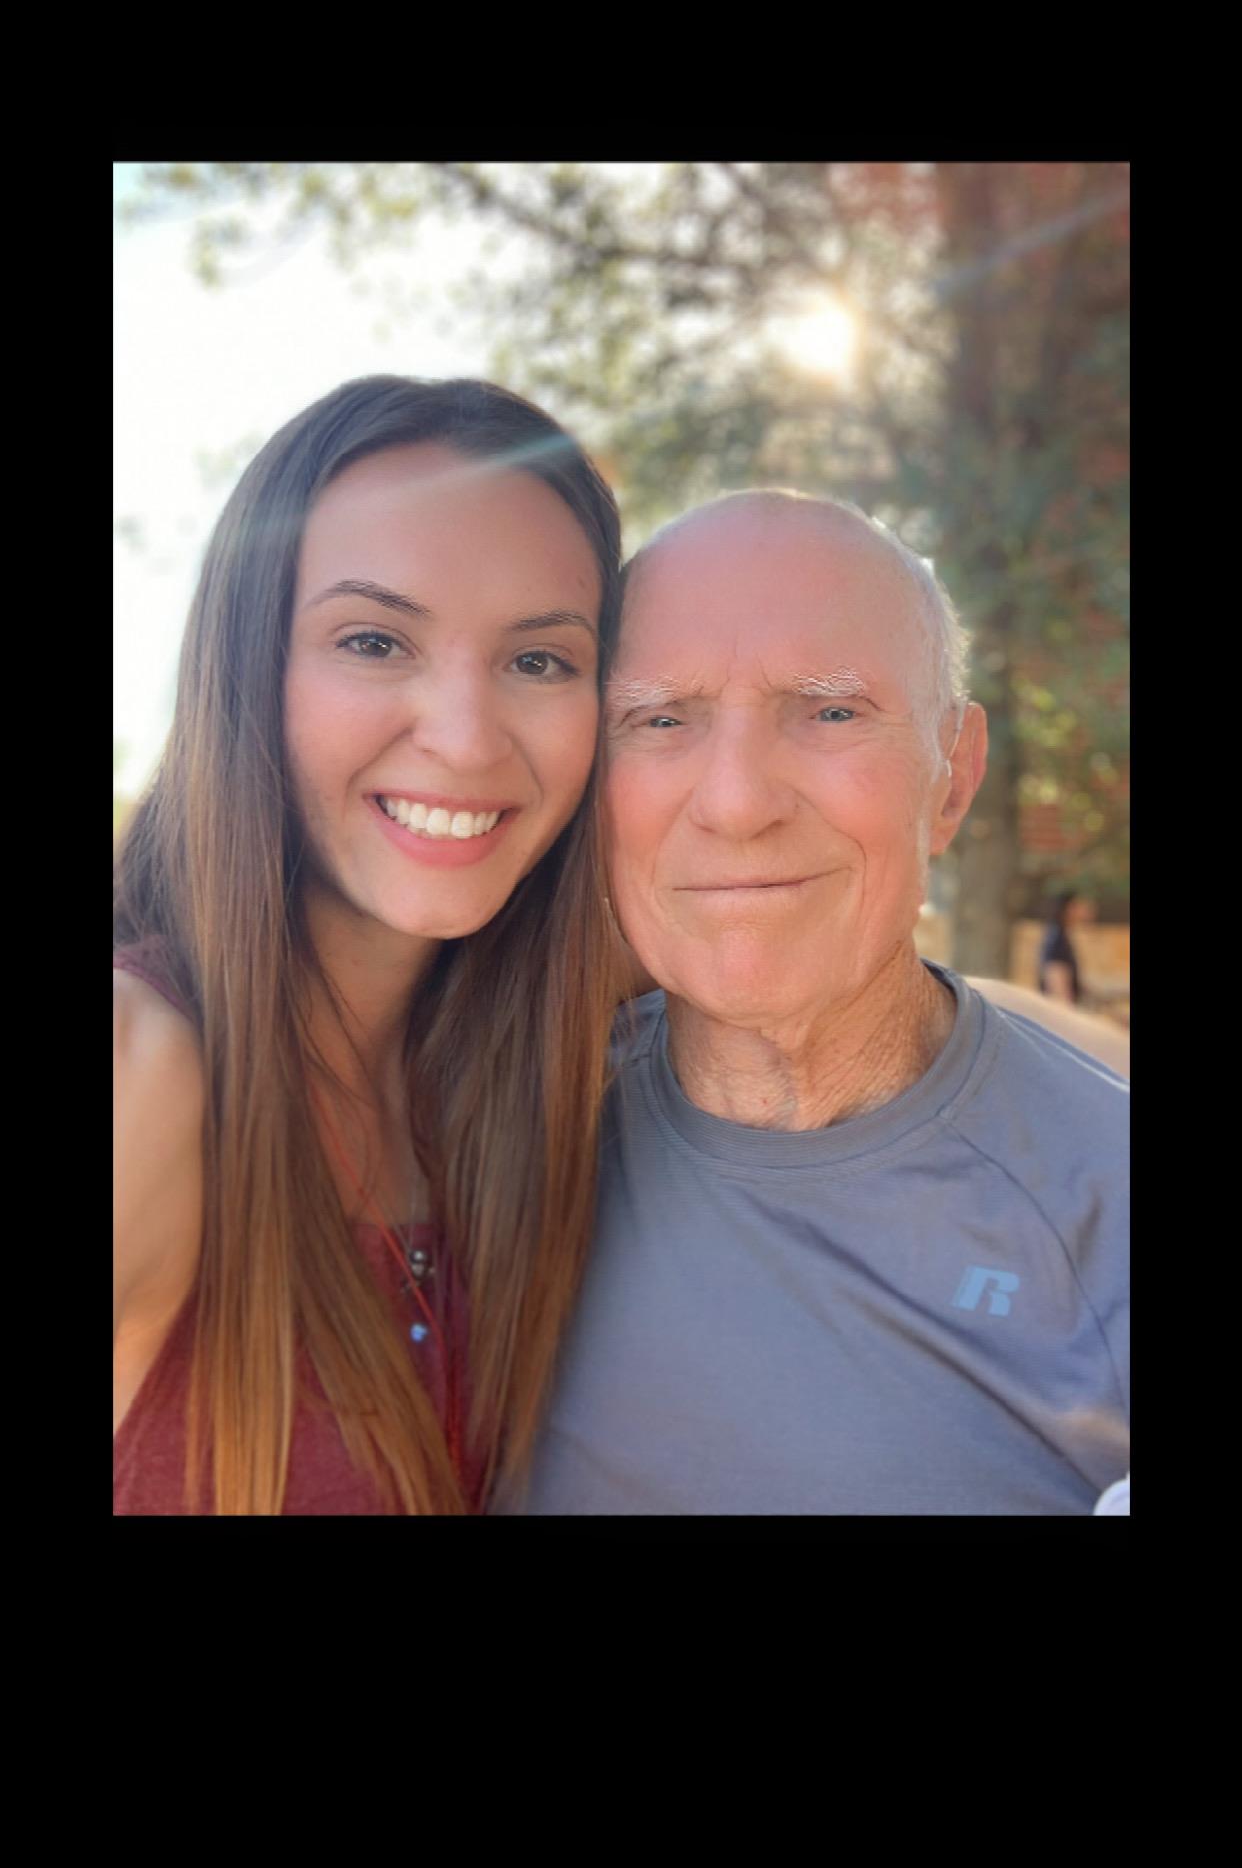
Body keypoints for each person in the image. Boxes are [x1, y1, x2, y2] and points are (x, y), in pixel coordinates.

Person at [506, 490, 1129, 1517]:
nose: (740, 801)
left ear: (953, 779)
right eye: (660, 720)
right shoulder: (481, 1135)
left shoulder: (1105, 1214)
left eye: (832, 711)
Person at [114, 376, 623, 1515]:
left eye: (539, 660)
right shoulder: (140, 1069)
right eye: (375, 639)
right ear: (250, 667)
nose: (463, 737)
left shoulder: (540, 1068)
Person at [1037, 887, 1094, 1005]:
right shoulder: (1057, 939)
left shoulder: (1061, 935)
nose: (1088, 909)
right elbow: (1059, 990)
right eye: (1082, 905)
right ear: (1069, 908)